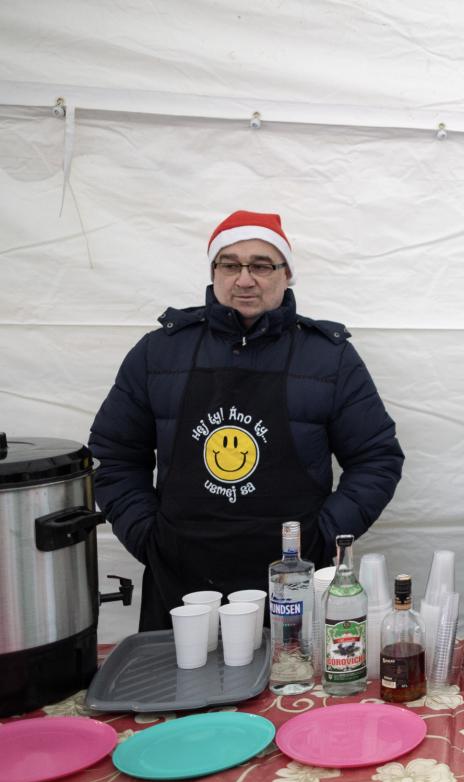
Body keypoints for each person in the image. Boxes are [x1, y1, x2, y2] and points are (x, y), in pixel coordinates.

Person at [89, 210, 404, 631]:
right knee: (180, 674)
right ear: (213, 272)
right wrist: (149, 537)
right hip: (180, 582)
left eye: (261, 265)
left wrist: (322, 537)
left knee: (291, 674)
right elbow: (114, 455)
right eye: (230, 265)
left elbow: (376, 459)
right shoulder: (159, 353)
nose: (244, 279)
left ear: (287, 274)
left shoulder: (328, 358)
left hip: (292, 580)